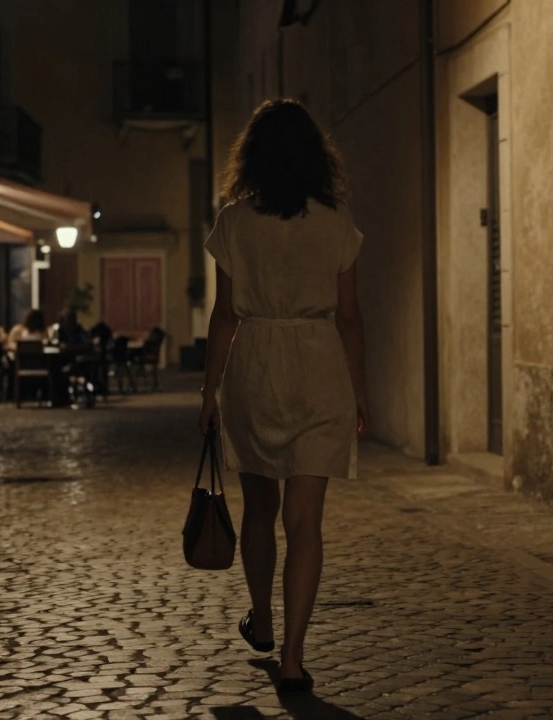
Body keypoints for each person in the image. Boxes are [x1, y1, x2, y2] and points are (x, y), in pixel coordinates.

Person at [198, 98, 368, 694]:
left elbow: (224, 315)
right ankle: (293, 657)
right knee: (306, 524)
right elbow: (350, 318)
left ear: (252, 157)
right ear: (315, 157)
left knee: (260, 511)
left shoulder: (233, 223)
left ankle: (263, 617)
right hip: (320, 368)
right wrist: (360, 393)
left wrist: (210, 390)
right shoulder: (336, 221)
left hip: (256, 370)